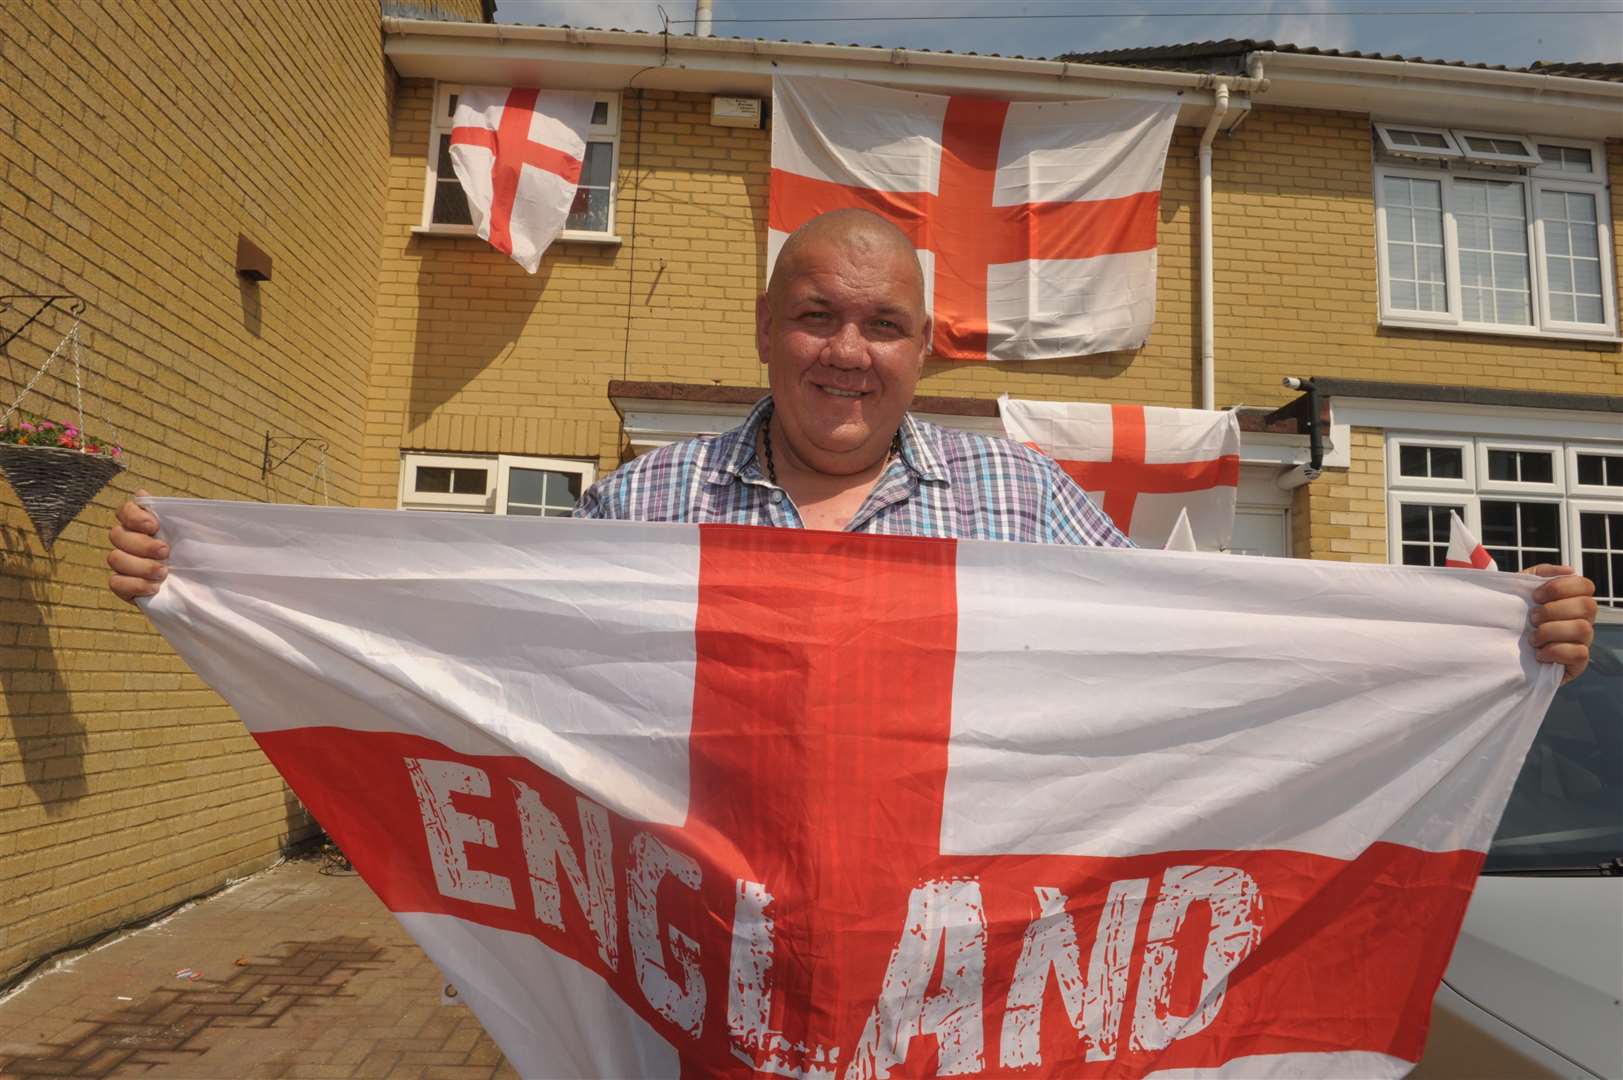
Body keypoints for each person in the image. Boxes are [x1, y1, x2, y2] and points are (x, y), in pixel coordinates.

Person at [107, 209, 1599, 681]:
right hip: (698, 969)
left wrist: (1479, 634)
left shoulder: (1026, 501)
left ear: (921, 349)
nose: (847, 352)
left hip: (948, 976)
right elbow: (471, 630)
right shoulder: (645, 501)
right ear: (766, 331)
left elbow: (1201, 645)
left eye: (883, 327)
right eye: (818, 316)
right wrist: (213, 578)